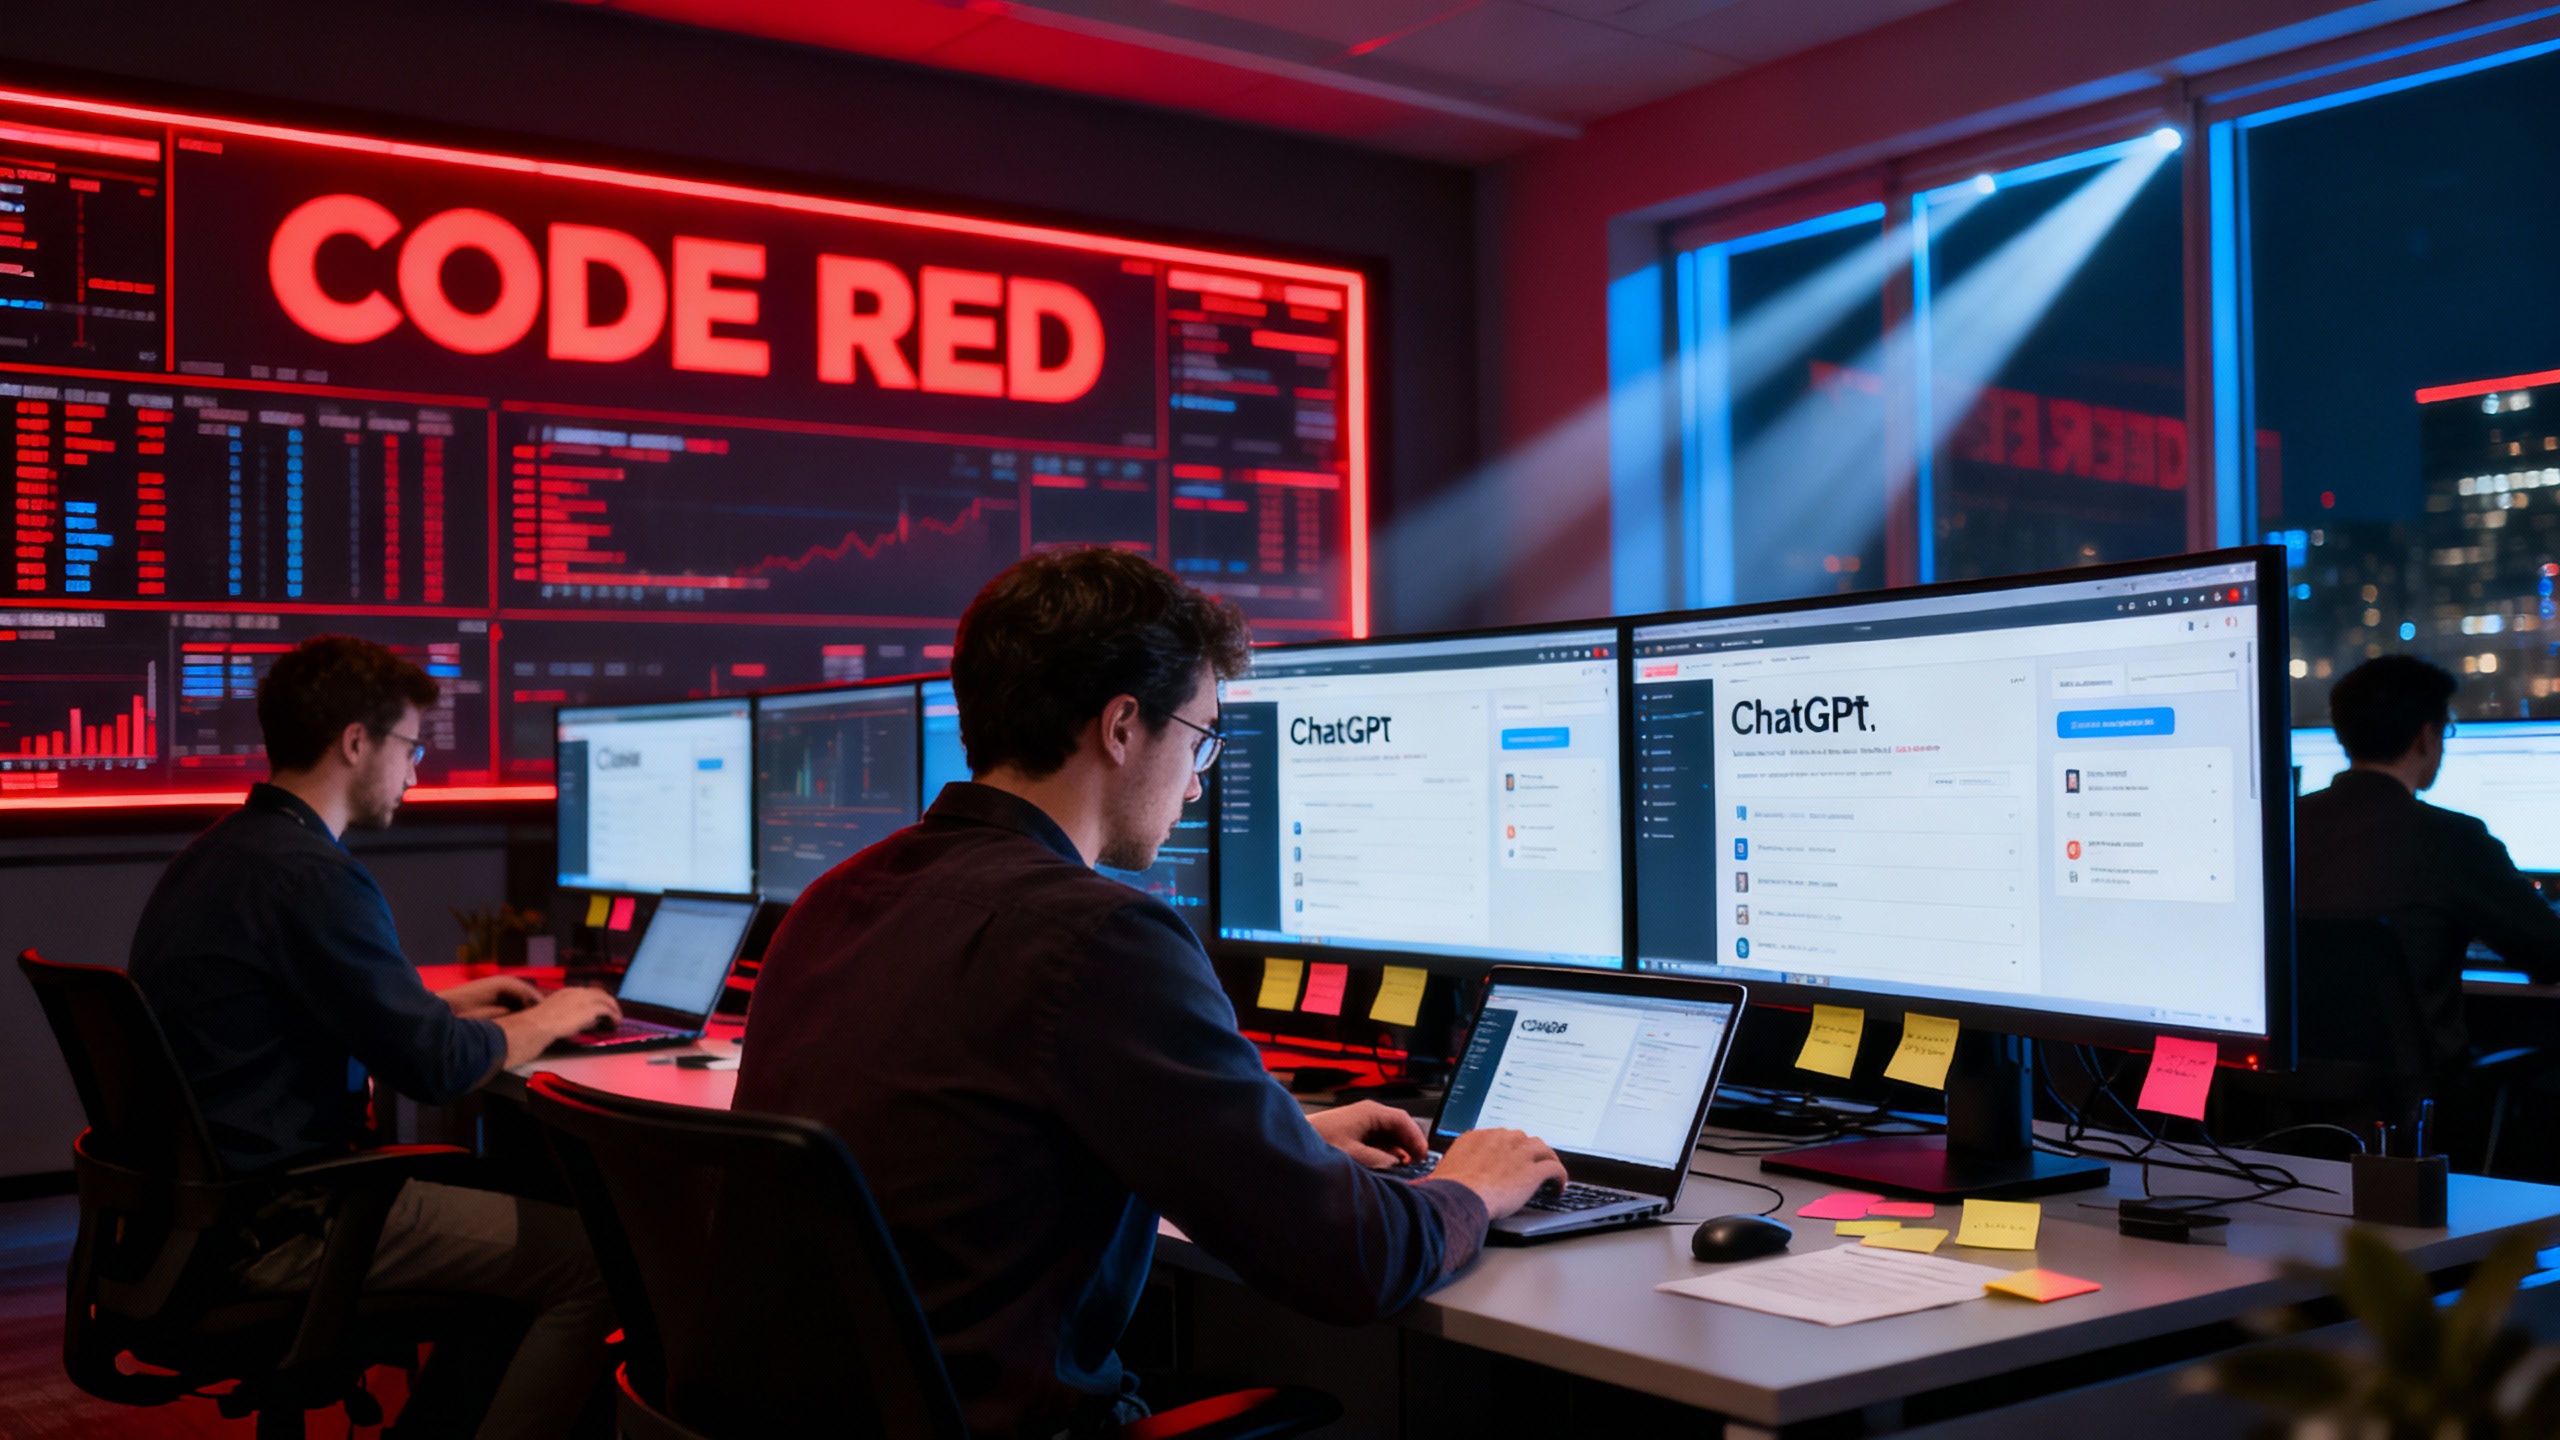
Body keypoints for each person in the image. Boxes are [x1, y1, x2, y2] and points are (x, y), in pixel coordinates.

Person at [737, 549, 1567, 1437]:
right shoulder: (1097, 935)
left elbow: (976, 1144)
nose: (1201, 779)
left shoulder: (839, 896)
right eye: (1201, 735)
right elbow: (1350, 1263)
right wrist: (1472, 1191)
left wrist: (1267, 1139)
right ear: (1123, 726)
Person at [129, 635, 624, 1440]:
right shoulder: (314, 875)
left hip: (199, 1219)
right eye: (411, 747)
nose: (416, 772)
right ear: (356, 742)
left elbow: (297, 1012)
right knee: (596, 1264)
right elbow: (436, 1068)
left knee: (516, 1217)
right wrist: (552, 1015)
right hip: (283, 1223)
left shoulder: (222, 854)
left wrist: (449, 1002)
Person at [2296, 654, 2560, 1073]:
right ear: (2427, 736)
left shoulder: (2281, 829)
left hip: (2276, 1095)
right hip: (2417, 1102)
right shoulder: (2453, 839)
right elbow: (2549, 955)